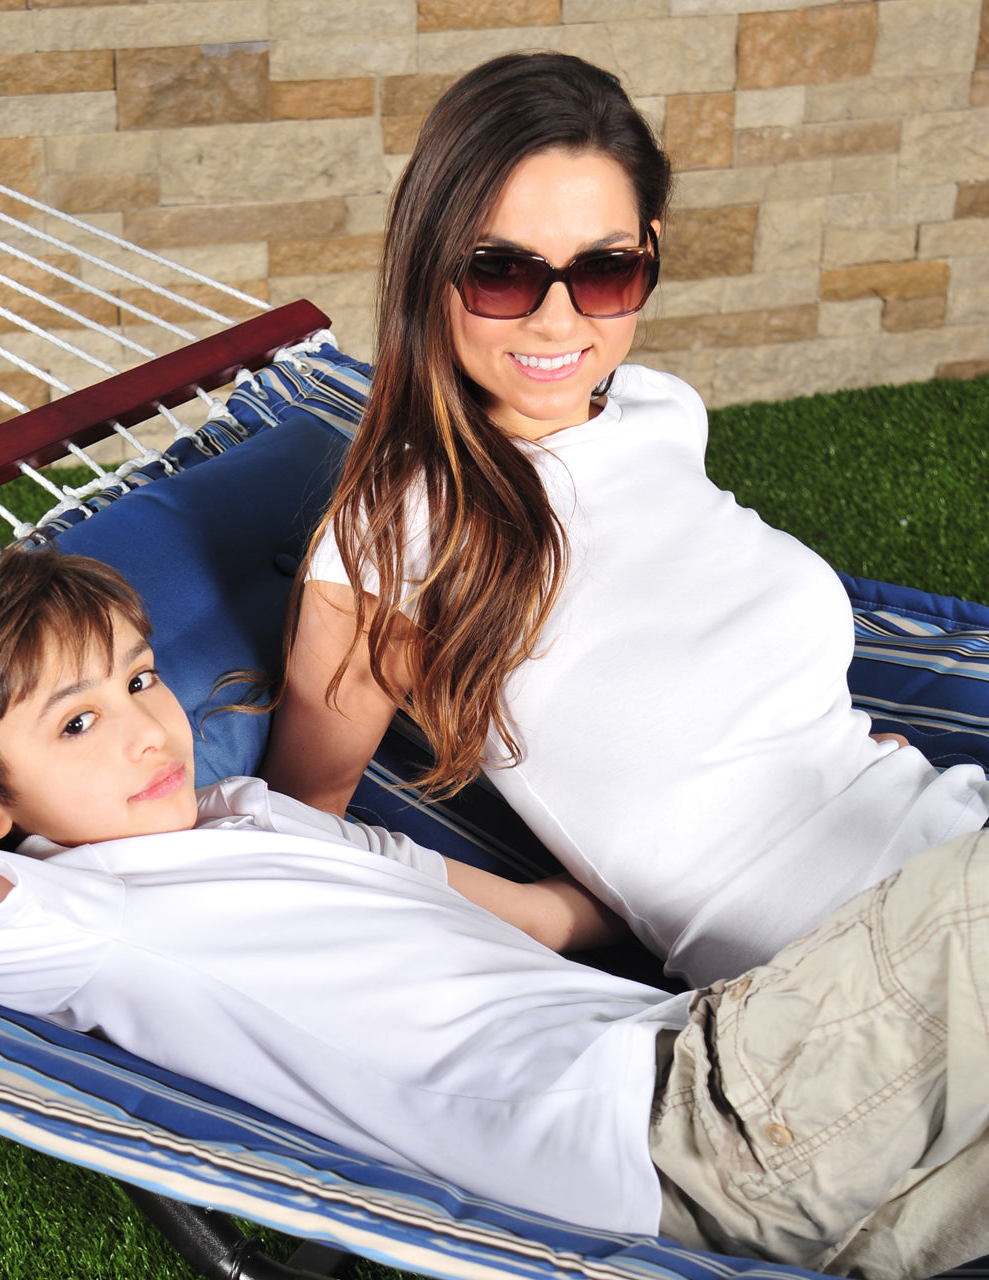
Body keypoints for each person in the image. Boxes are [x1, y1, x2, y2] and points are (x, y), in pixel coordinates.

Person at [0, 548, 989, 1278]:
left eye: (139, 676)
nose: (147, 725)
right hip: (684, 1131)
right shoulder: (67, 915)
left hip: (758, 1119)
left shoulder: (254, 810)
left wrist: (776, 792)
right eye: (75, 722)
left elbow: (537, 915)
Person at [260, 52, 989, 987]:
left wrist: (832, 753)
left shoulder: (658, 413)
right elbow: (293, 833)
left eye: (604, 269)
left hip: (950, 837)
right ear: (428, 267)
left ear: (648, 250)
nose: (561, 322)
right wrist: (558, 916)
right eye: (501, 272)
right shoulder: (395, 536)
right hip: (861, 986)